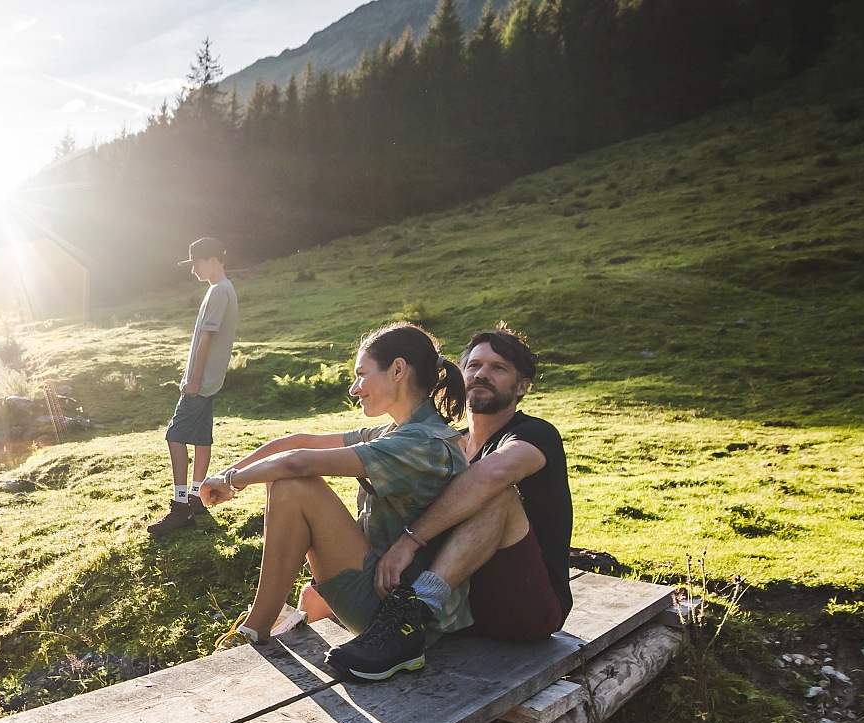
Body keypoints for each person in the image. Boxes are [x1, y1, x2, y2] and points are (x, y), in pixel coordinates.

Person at [196, 322, 471, 677]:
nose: (355, 389)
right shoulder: (400, 431)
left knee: (294, 486)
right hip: (384, 589)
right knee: (291, 482)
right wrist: (226, 475)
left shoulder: (421, 444)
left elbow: (299, 461)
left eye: (361, 375)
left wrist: (233, 481)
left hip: (398, 616)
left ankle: (255, 628)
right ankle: (256, 626)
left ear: (398, 370)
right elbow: (298, 443)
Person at [327, 325, 570, 670]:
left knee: (497, 494)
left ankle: (412, 613)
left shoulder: (534, 434)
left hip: (526, 607)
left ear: (522, 385)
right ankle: (408, 616)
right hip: (462, 612)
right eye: (474, 366)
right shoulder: (449, 441)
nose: (482, 374)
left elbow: (494, 474)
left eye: (498, 368)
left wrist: (408, 543)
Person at [148, 237, 239, 536]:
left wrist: (194, 380)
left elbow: (206, 340)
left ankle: (180, 507)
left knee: (175, 436)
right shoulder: (224, 290)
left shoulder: (219, 292)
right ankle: (197, 498)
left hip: (201, 384)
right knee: (201, 438)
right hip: (209, 382)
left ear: (212, 259)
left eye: (196, 264)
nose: (193, 271)